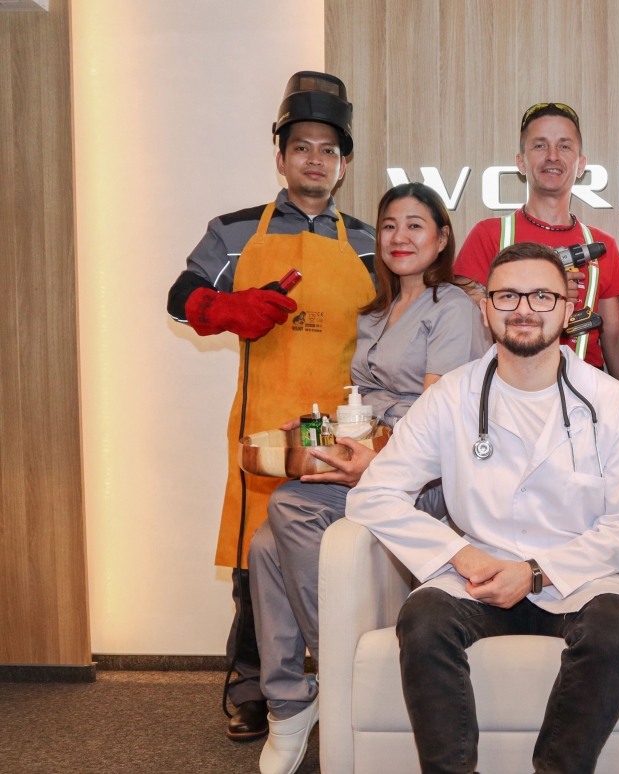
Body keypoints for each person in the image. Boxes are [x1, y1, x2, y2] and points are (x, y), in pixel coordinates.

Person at [347, 242, 619, 774]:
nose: (524, 309)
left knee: (612, 626)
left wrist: (534, 573)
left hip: (578, 575)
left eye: (541, 296)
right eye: (507, 296)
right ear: (486, 308)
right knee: (423, 619)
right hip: (478, 573)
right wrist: (461, 556)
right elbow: (374, 493)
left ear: (567, 308)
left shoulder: (612, 402)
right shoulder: (451, 397)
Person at [247, 183, 487, 774]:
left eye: (415, 225)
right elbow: (366, 405)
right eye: (388, 226)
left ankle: (341, 672)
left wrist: (373, 464)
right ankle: (289, 702)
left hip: (424, 478)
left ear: (442, 239)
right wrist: (320, 430)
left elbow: (436, 421)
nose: (399, 237)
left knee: (291, 505)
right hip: (376, 454)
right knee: (264, 545)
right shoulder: (376, 311)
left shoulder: (453, 308)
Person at [164, 71, 376, 742]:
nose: (315, 160)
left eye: (328, 150)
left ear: (343, 165)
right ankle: (251, 690)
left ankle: (344, 684)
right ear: (280, 157)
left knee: (340, 560)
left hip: (343, 430)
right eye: (301, 147)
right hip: (265, 427)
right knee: (254, 566)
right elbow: (180, 297)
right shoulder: (232, 232)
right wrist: (228, 308)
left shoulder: (369, 241)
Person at [454, 102, 619, 381]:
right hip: (506, 386)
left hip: (583, 389)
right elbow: (465, 319)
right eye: (539, 146)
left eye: (564, 146)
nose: (552, 156)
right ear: (521, 162)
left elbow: (615, 337)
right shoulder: (488, 235)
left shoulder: (600, 243)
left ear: (581, 164)